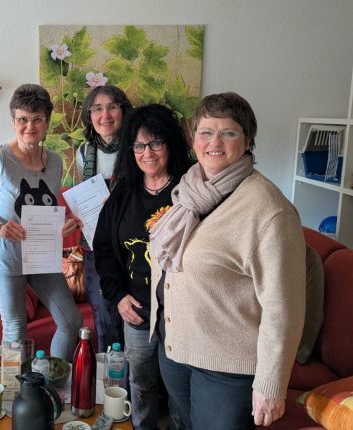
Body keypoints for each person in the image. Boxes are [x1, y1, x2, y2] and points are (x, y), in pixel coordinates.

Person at [148, 92, 306, 429]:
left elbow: (284, 308)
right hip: (174, 350)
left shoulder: (269, 210)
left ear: (247, 141)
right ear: (193, 139)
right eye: (205, 132)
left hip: (226, 371)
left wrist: (271, 384)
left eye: (228, 133)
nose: (214, 142)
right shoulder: (189, 191)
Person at [94, 104, 192, 430]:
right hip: (137, 309)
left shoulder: (189, 190)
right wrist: (118, 295)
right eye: (139, 146)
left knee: (180, 388)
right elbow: (103, 247)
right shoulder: (124, 191)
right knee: (141, 382)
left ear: (170, 144)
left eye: (155, 143)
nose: (147, 153)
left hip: (180, 312)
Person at [0, 83, 83, 361]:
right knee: (15, 329)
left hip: (41, 254)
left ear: (47, 123)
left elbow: (48, 207)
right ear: (13, 121)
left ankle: (51, 379)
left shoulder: (55, 162)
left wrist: (65, 223)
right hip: (5, 257)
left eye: (37, 119)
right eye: (22, 119)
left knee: (71, 322)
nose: (29, 126)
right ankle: (14, 387)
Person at [75, 85, 133, 352]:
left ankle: (133, 375)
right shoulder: (83, 153)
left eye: (112, 107)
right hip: (96, 247)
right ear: (89, 116)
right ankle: (108, 373)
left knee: (132, 316)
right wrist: (76, 217)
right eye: (97, 109)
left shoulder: (136, 149)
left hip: (130, 247)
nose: (105, 115)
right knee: (103, 317)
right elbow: (83, 199)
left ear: (123, 111)